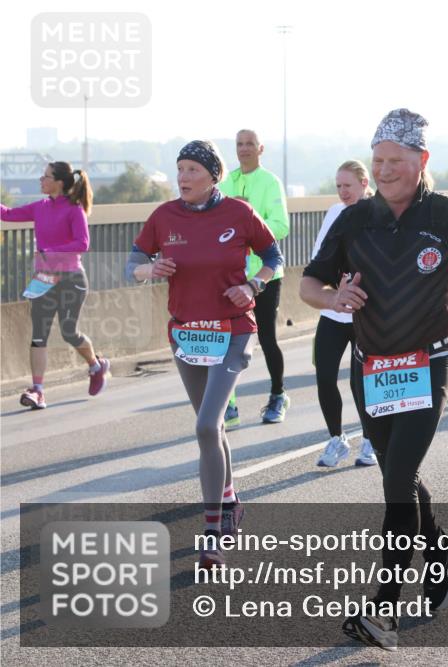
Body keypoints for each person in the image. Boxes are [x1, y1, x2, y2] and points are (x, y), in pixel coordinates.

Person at [300, 109, 448, 650]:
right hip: (371, 368)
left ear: (422, 162)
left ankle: (383, 608)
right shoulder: (355, 219)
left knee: (397, 480)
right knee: (399, 475)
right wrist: (333, 298)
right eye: (378, 160)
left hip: (428, 362)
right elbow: (308, 283)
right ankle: (438, 549)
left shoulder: (447, 215)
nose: (386, 169)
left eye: (396, 160)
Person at [126, 140, 283, 567]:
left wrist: (252, 286)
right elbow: (133, 263)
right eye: (180, 169)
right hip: (186, 335)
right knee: (212, 430)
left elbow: (273, 256)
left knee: (205, 425)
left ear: (214, 175)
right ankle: (231, 502)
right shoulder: (164, 216)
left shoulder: (238, 213)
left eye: (193, 169)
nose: (183, 177)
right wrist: (148, 269)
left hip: (232, 330)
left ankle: (213, 532)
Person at [2, 162, 110, 409]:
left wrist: (51, 251)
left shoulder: (74, 210)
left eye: (45, 176)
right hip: (44, 279)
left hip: (71, 279)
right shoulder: (40, 207)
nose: (41, 180)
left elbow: (82, 243)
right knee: (39, 334)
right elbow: (7, 214)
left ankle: (95, 365)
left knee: (69, 331)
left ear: (59, 182)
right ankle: (38, 390)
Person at [217, 129, 291, 426]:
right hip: (229, 277)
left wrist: (248, 227)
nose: (244, 149)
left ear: (260, 149)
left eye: (250, 144)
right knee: (225, 340)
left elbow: (281, 225)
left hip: (264, 275)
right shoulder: (224, 181)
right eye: (239, 144)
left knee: (266, 337)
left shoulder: (270, 182)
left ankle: (278, 395)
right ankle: (228, 403)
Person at [313, 161, 377, 467]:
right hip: (334, 311)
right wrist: (334, 282)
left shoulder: (379, 212)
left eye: (348, 186)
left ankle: (370, 440)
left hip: (365, 313)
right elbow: (318, 257)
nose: (342, 192)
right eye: (338, 186)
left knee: (359, 382)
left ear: (365, 183)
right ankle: (336, 439)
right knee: (324, 376)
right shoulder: (334, 212)